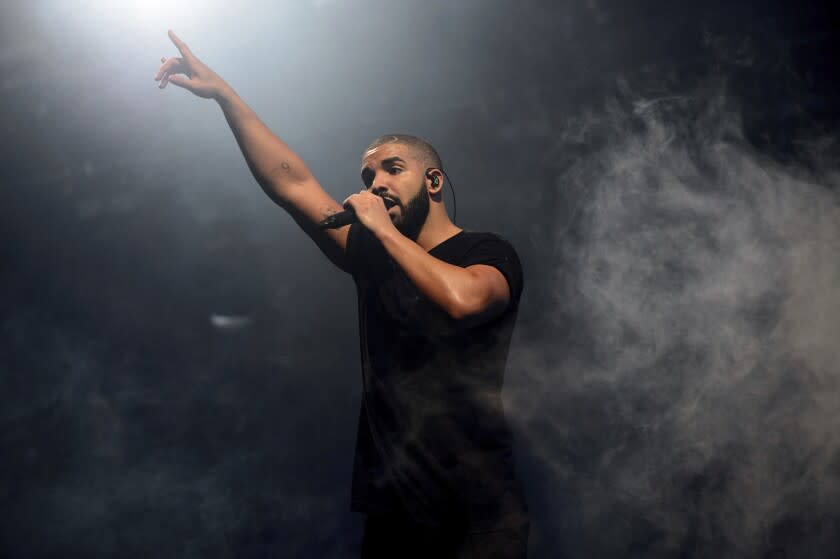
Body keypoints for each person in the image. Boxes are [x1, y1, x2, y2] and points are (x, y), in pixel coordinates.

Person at [156, 30, 529, 559]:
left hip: (479, 515)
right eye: (367, 175)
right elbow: (292, 183)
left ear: (434, 182)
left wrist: (380, 231)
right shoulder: (372, 255)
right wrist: (224, 94)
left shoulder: (488, 251)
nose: (375, 184)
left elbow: (464, 300)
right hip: (393, 514)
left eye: (392, 170)